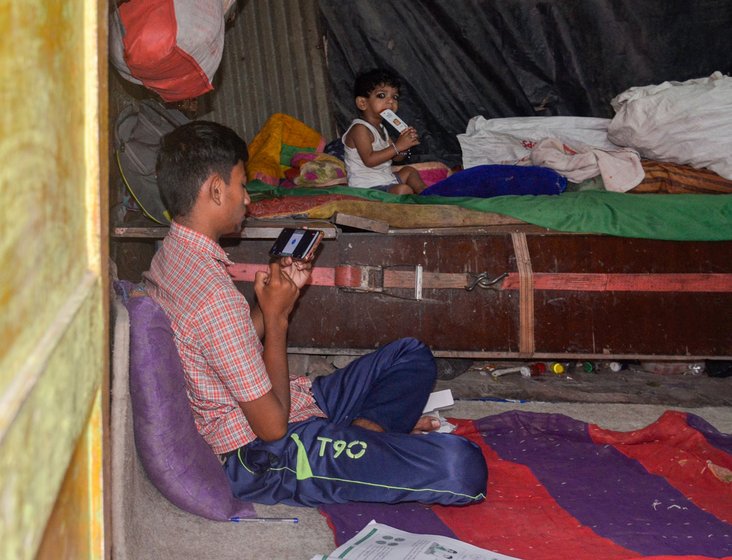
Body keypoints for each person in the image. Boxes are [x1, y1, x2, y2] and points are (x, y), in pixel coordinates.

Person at [143, 120, 487, 507]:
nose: (248, 200)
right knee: (463, 468)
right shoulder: (213, 297)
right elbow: (273, 428)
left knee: (411, 355)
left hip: (284, 401)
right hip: (262, 455)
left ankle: (362, 436)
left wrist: (269, 304)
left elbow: (219, 341)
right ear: (216, 190)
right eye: (242, 185)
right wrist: (277, 320)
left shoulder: (171, 256)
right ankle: (363, 443)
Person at [342, 68, 427, 194]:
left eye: (395, 97)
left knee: (409, 171)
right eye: (382, 95)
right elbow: (370, 160)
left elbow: (397, 158)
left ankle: (426, 194)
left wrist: (405, 146)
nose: (391, 101)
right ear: (362, 103)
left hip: (387, 179)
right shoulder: (359, 129)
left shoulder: (382, 129)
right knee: (403, 190)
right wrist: (398, 146)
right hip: (366, 187)